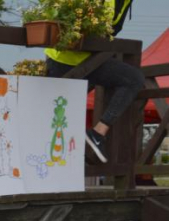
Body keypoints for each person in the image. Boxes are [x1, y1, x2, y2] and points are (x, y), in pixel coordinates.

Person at [45, 0, 141, 164]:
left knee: (133, 79)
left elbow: (110, 30)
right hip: (63, 58)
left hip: (91, 60)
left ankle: (96, 134)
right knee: (53, 115)